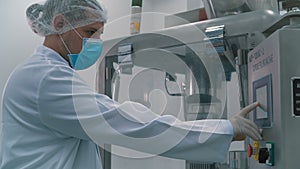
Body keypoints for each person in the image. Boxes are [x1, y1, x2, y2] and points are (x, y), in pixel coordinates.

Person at [0, 0, 262, 168]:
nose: (95, 42)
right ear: (59, 24)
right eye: (90, 32)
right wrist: (224, 129)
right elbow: (127, 124)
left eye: (99, 34)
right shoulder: (46, 79)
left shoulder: (46, 74)